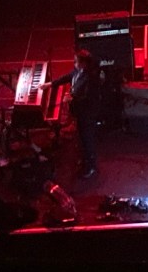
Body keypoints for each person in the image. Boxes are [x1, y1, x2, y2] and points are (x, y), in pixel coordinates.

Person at [40, 49, 102, 179]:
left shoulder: (91, 78)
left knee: (87, 140)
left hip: (87, 115)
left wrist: (72, 98)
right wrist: (51, 84)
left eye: (76, 61)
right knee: (82, 137)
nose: (74, 63)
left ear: (83, 64)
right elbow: (68, 77)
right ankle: (86, 160)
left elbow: (89, 98)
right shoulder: (78, 71)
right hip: (80, 112)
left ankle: (91, 167)